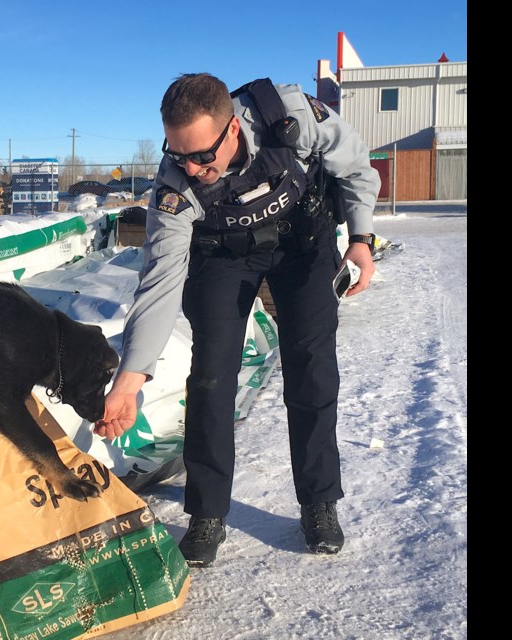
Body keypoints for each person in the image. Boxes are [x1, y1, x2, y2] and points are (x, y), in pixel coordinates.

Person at [94, 73, 380, 566]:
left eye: (203, 155)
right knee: (210, 375)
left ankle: (318, 503)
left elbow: (357, 168)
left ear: (232, 128)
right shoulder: (173, 184)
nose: (193, 168)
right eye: (178, 154)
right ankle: (207, 513)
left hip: (302, 244)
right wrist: (130, 377)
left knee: (311, 368)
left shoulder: (287, 116)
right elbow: (161, 280)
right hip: (223, 257)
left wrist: (361, 238)